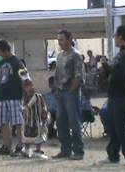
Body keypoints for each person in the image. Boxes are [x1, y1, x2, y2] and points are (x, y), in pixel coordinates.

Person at [100, 25, 125, 166]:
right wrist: (106, 69)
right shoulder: (120, 53)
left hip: (122, 96)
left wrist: (106, 65)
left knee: (121, 128)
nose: (114, 38)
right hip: (113, 96)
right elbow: (112, 72)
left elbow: (121, 74)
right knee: (113, 128)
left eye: (115, 35)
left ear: (121, 37)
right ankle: (113, 155)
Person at [52, 29, 85, 160]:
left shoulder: (75, 55)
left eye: (62, 39)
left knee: (74, 122)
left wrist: (71, 90)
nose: (60, 42)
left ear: (69, 39)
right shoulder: (60, 55)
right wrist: (56, 88)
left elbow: (79, 76)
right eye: (58, 40)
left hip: (71, 92)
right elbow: (57, 74)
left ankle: (78, 151)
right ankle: (65, 150)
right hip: (60, 92)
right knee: (60, 121)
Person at [0, 39, 25, 156]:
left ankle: (20, 146)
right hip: (2, 98)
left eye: (0, 51)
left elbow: (25, 79)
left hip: (15, 97)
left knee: (18, 122)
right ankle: (6, 146)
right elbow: (0, 80)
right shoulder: (1, 63)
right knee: (3, 122)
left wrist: (24, 96)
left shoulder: (18, 62)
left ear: (5, 50)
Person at [20, 78, 49, 158]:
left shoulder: (37, 96)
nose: (28, 88)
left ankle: (38, 150)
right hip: (27, 121)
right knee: (26, 137)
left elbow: (43, 107)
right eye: (26, 86)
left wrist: (44, 117)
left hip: (37, 121)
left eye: (29, 86)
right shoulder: (25, 97)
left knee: (38, 137)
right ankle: (26, 150)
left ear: (32, 86)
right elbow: (24, 108)